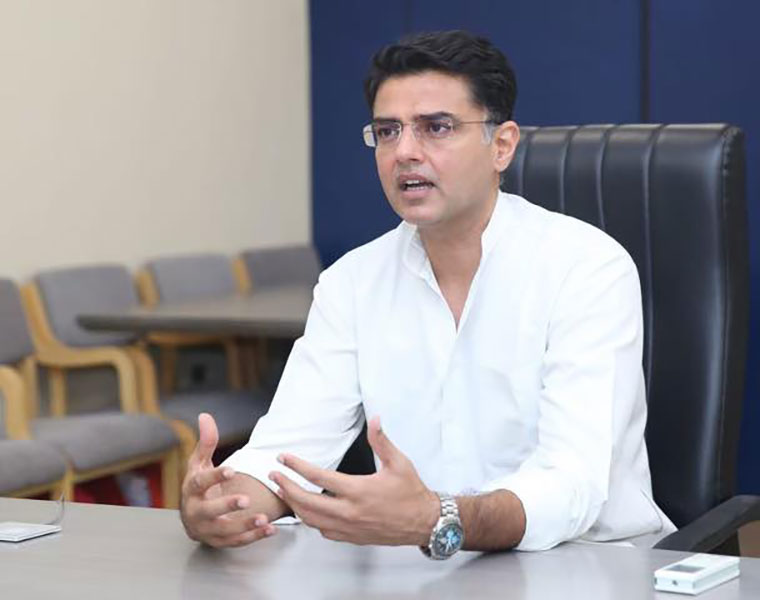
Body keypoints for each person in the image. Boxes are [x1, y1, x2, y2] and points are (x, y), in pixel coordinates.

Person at [180, 30, 675, 557]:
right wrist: (224, 504)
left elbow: (572, 485)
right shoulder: (353, 283)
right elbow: (287, 450)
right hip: (419, 568)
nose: (405, 152)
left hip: (586, 563)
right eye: (387, 131)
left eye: (436, 128)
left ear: (501, 145)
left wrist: (437, 518)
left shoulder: (586, 268)